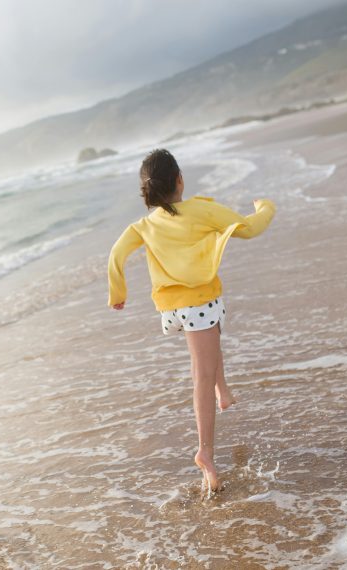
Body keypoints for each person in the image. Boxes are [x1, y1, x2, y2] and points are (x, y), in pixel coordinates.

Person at [107, 149, 275, 493]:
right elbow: (249, 229)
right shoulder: (200, 210)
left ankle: (223, 391)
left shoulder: (144, 225)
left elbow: (116, 255)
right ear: (180, 180)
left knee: (212, 341)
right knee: (202, 373)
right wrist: (265, 207)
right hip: (198, 302)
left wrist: (118, 293)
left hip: (174, 308)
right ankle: (205, 452)